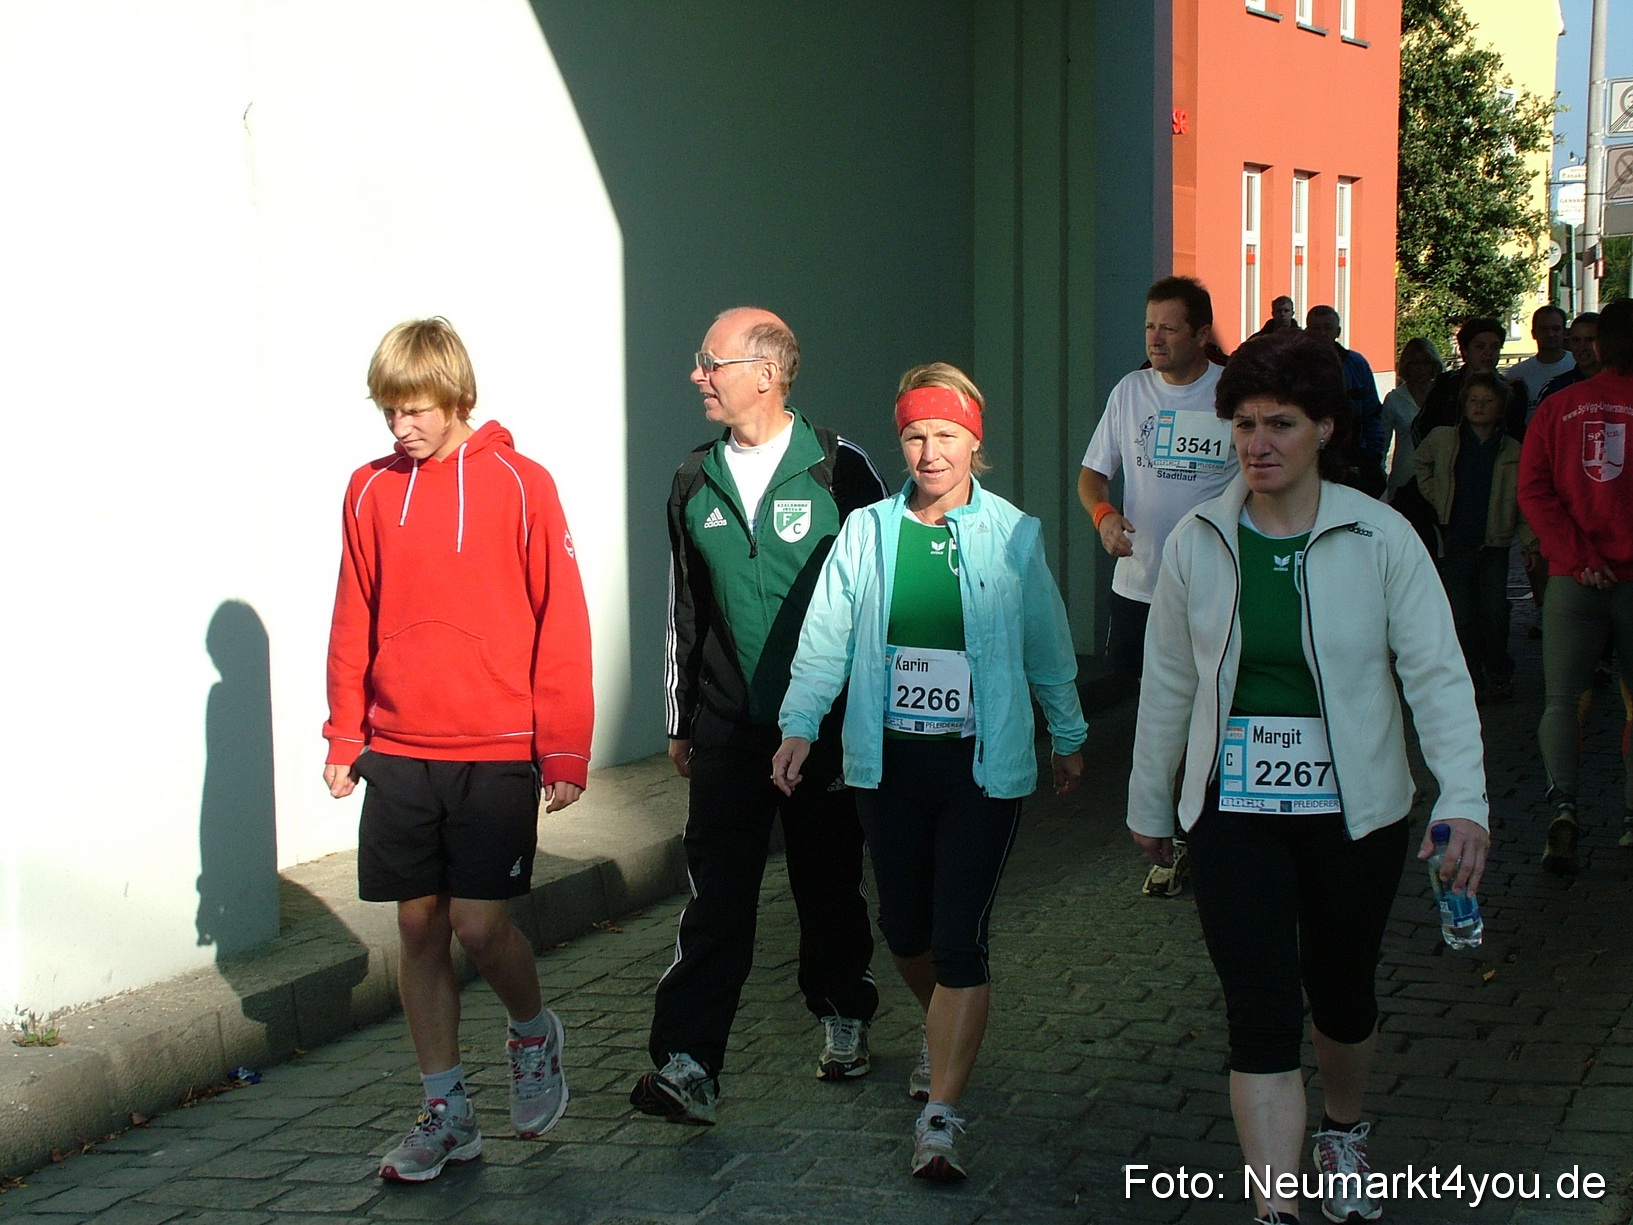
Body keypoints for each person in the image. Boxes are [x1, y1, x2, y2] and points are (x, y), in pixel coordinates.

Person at [1127, 329, 1489, 1225]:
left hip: (1355, 812)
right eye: (1244, 424)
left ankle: (1343, 1127)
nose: (1257, 443)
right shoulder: (1200, 539)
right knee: (1258, 1005)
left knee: (1341, 992)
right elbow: (1168, 676)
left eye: (1280, 423)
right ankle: (1275, 1205)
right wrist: (1150, 799)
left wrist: (1465, 799)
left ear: (1324, 427)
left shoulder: (1380, 537)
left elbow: (1436, 673)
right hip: (1234, 810)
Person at [773, 363, 1086, 1182]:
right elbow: (826, 635)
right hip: (887, 764)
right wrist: (800, 725)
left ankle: (941, 1116)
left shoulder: (1012, 533)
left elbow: (1046, 639)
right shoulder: (869, 531)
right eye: (914, 434)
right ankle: (939, 1023)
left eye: (944, 434)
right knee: (905, 930)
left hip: (980, 768)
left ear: (972, 441)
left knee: (958, 936)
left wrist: (1068, 729)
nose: (927, 449)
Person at [323, 318, 594, 1182]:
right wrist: (343, 732)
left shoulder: (523, 485)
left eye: (413, 411)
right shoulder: (369, 490)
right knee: (415, 923)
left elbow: (563, 621)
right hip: (399, 746)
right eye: (388, 412)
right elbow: (351, 614)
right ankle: (445, 1109)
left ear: (455, 398)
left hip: (498, 746)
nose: (398, 428)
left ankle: (530, 1032)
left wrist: (564, 747)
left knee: (479, 927)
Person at [633, 307, 885, 1126]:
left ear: (765, 373)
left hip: (826, 726)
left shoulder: (837, 467)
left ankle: (842, 1008)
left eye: (711, 362)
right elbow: (683, 608)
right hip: (727, 726)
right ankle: (688, 1061)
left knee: (826, 879)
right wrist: (680, 719)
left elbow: (880, 595)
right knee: (715, 893)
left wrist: (868, 716)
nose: (696, 375)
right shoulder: (690, 477)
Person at [1076, 275, 1238, 897]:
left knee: (1210, 710)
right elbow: (1093, 474)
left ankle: (1208, 833)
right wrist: (1104, 517)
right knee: (1159, 711)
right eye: (1149, 326)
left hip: (1213, 587)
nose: (1156, 338)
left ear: (1201, 333)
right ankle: (1173, 836)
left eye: (1169, 327)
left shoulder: (1229, 396)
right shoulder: (1130, 392)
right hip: (1141, 588)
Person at [1517, 297, 1633, 872]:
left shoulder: (1558, 407)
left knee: (1561, 701)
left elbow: (1533, 491)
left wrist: (1577, 555)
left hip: (1573, 581)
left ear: (1599, 346)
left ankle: (1562, 807)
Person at [1413, 371, 1533, 703]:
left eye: (1488, 401)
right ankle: (1468, 675)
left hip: (1494, 542)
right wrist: (1437, 497)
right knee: (1461, 614)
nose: (1479, 407)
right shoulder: (1444, 439)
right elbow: (1420, 464)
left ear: (1501, 408)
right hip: (1457, 540)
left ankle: (1498, 670)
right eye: (1473, 400)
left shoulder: (1512, 450)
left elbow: (1523, 498)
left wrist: (1531, 542)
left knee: (1495, 611)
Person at [1305, 305, 1386, 496]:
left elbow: (1372, 411)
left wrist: (1374, 454)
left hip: (1352, 453)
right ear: (1307, 331)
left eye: (1327, 327)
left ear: (1338, 332)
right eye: (1316, 328)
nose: (1322, 333)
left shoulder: (1356, 364)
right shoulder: (1298, 366)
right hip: (1311, 453)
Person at [1414, 316, 1527, 443]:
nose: (1488, 353)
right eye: (1480, 347)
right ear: (1465, 350)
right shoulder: (1446, 384)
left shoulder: (1511, 389)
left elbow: (1517, 435)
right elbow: (1420, 427)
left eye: (1495, 347)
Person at [1380, 336, 1443, 501]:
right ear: (1407, 365)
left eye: (1426, 362)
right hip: (1405, 475)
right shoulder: (1394, 399)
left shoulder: (1443, 396)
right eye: (1415, 363)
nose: (1421, 368)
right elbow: (1383, 441)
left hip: (1438, 476)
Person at [1507, 305, 1573, 406]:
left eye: (1555, 329)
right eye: (1544, 329)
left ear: (1565, 332)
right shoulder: (1517, 373)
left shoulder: (1577, 366)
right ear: (1533, 333)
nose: (1550, 334)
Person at [1536, 311, 1601, 407]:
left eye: (1590, 340)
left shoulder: (1622, 385)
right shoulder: (1555, 387)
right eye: (1576, 340)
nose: (1582, 347)